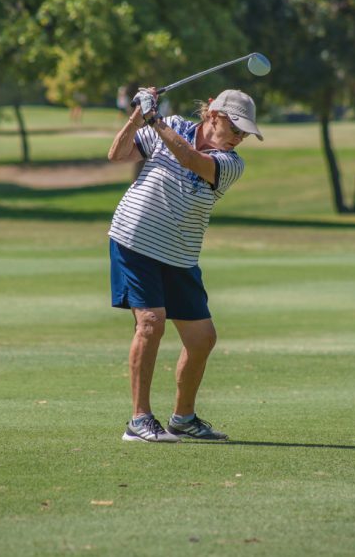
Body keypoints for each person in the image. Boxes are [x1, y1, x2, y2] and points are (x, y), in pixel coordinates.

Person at [106, 87, 264, 443]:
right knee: (150, 322)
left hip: (179, 254)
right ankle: (139, 420)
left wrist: (154, 119)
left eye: (244, 133)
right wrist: (138, 112)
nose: (239, 138)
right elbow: (117, 154)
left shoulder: (230, 164)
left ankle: (183, 418)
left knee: (202, 338)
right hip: (135, 240)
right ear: (212, 115)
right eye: (235, 128)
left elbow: (190, 160)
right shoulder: (173, 125)